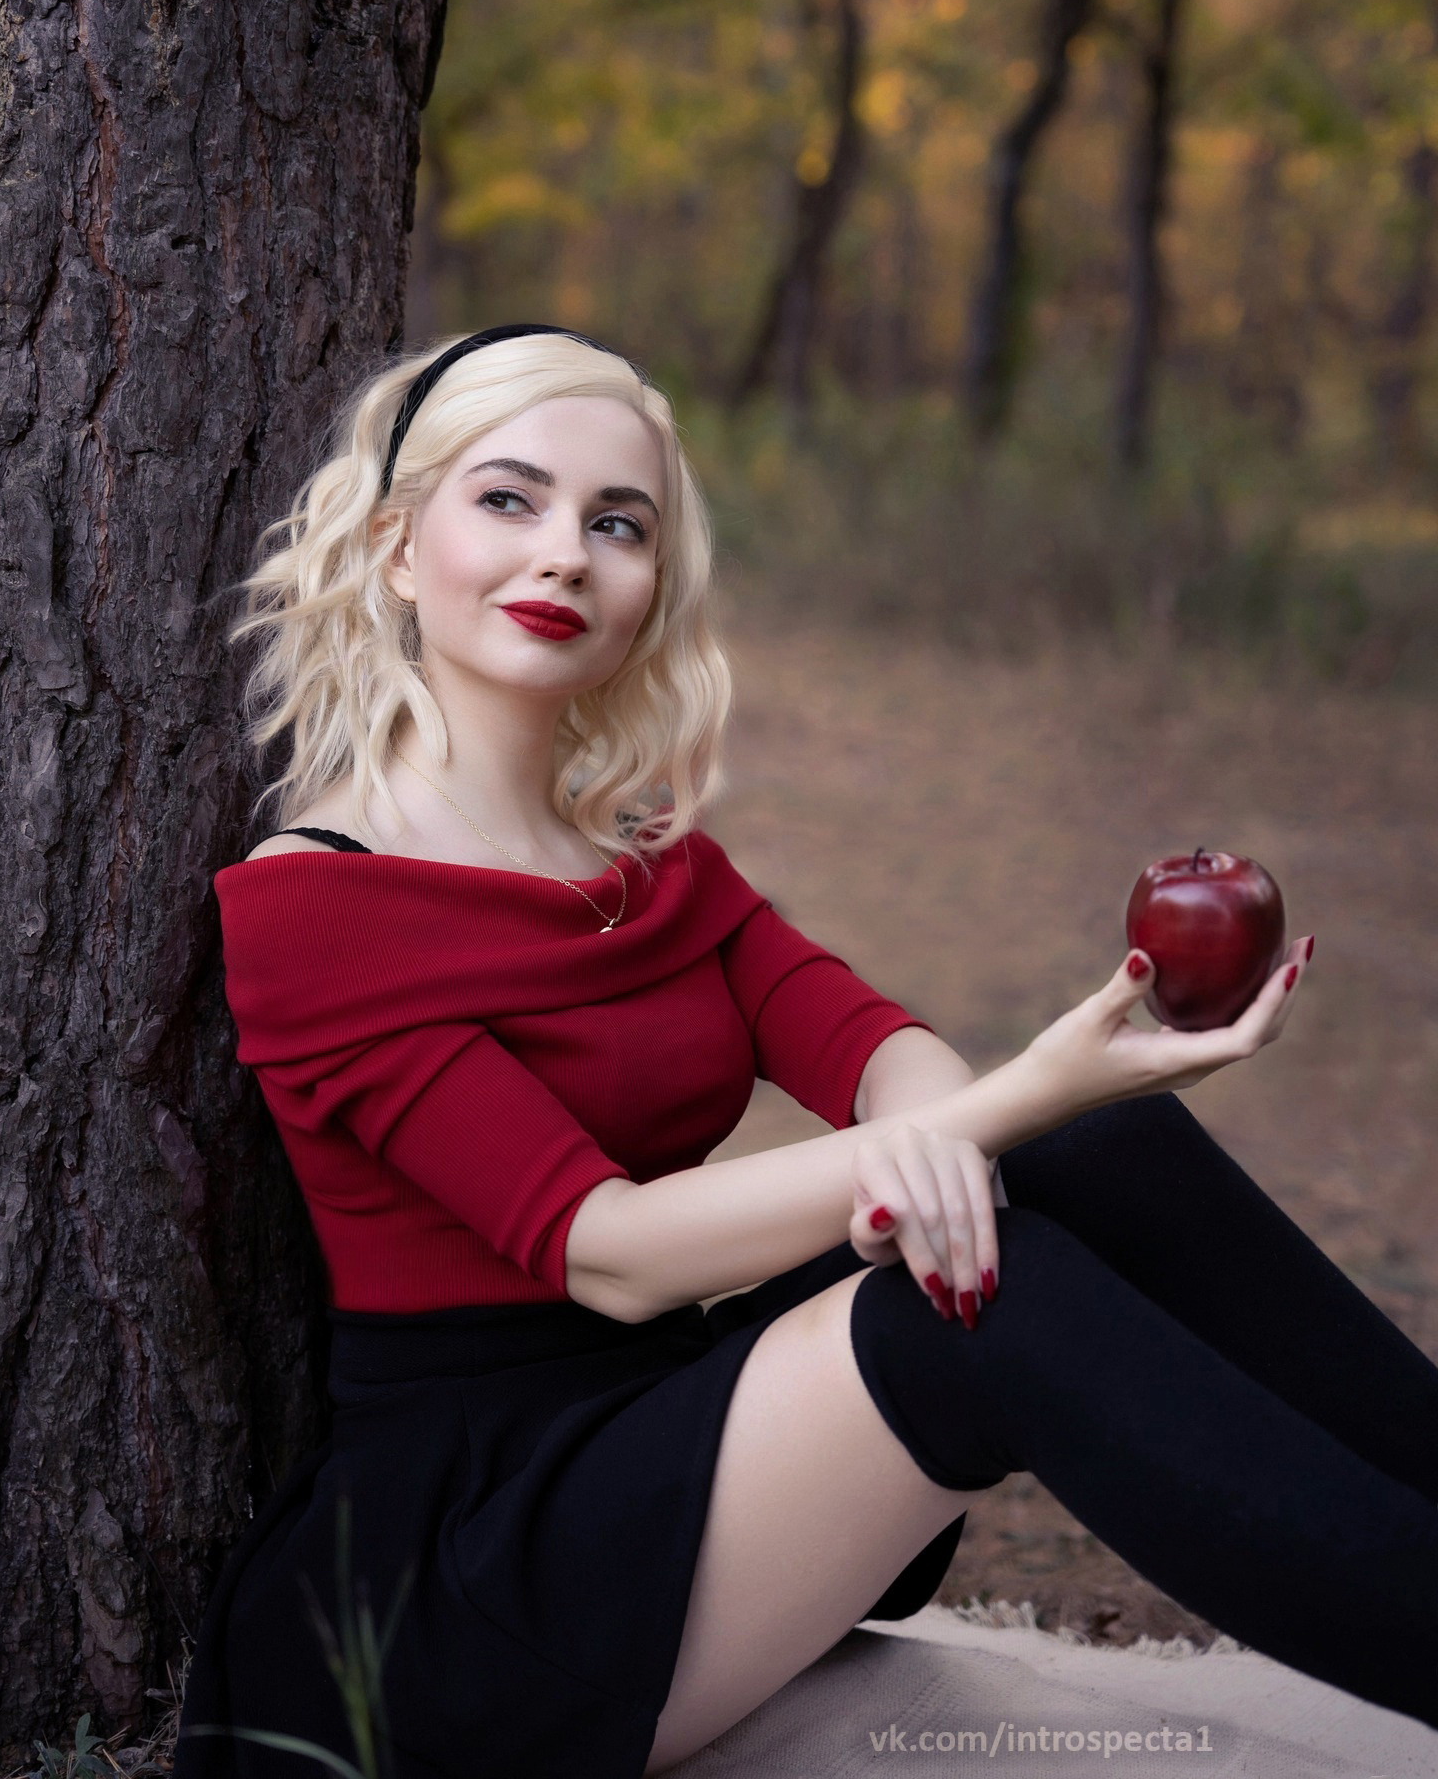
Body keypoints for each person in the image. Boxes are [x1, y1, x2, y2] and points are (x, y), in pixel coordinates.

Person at [174, 327, 1438, 1779]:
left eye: (617, 523)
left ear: (652, 587)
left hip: (671, 1426)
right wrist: (993, 1113)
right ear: (399, 550)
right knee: (987, 1288)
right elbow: (613, 1250)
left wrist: (972, 1122)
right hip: (475, 1563)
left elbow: (881, 1048)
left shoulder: (652, 863)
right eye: (508, 500)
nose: (567, 555)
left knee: (1101, 1152)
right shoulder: (316, 901)